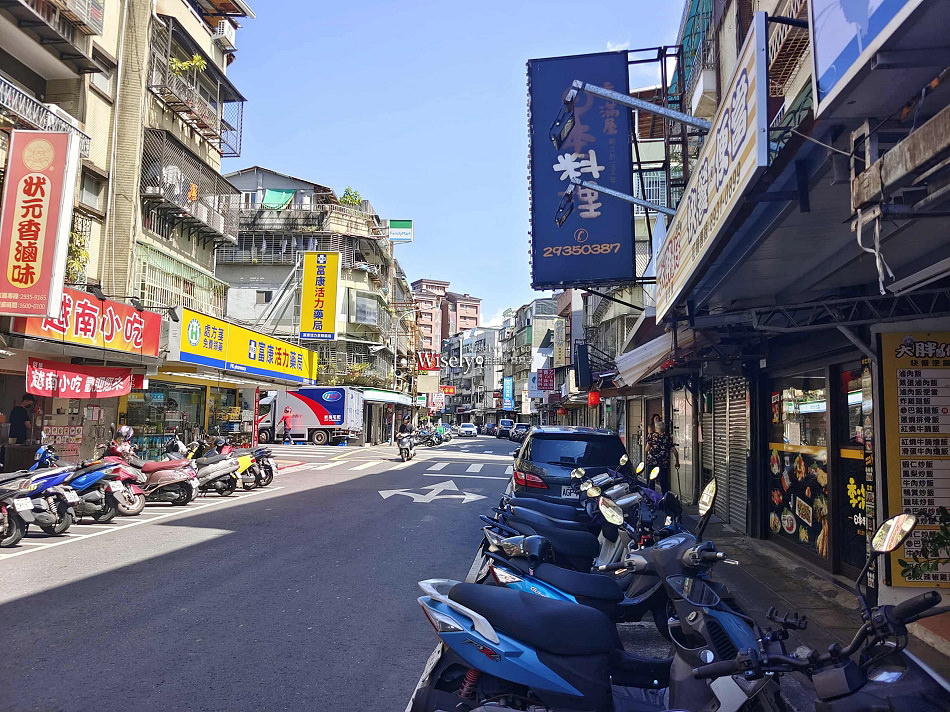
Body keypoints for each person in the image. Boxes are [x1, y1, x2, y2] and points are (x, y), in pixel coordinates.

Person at [645, 420, 678, 492]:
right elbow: (675, 451)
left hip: (652, 462)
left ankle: (651, 498)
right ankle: (665, 499)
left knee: (651, 482)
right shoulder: (668, 438)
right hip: (663, 464)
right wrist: (677, 462)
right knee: (664, 483)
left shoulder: (651, 436)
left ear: (656, 428)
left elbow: (646, 449)